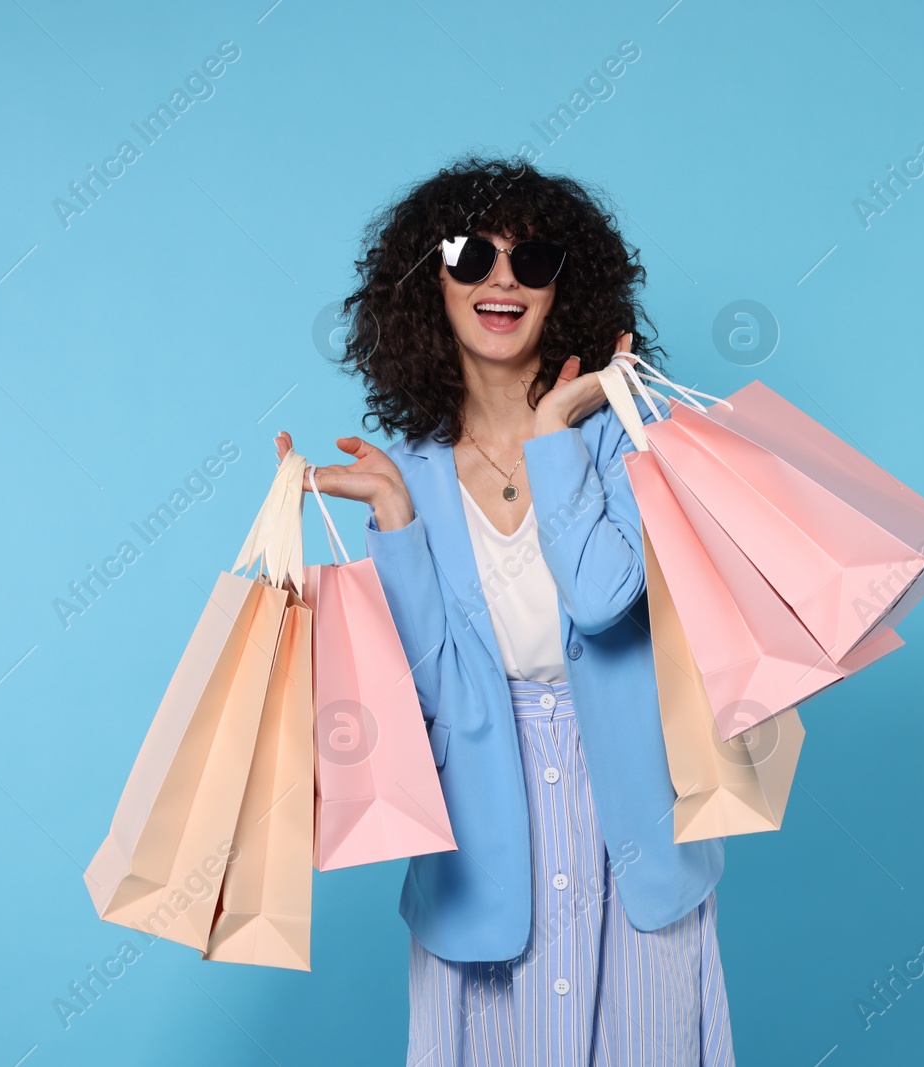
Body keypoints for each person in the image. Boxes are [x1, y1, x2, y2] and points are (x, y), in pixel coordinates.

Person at [277, 156, 733, 1066]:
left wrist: (555, 437)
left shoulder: (622, 431)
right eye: (470, 253)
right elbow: (432, 686)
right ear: (427, 281)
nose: (501, 279)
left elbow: (605, 601)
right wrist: (396, 521)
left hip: (632, 812)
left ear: (566, 285)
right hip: (481, 825)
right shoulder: (411, 466)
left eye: (534, 260)